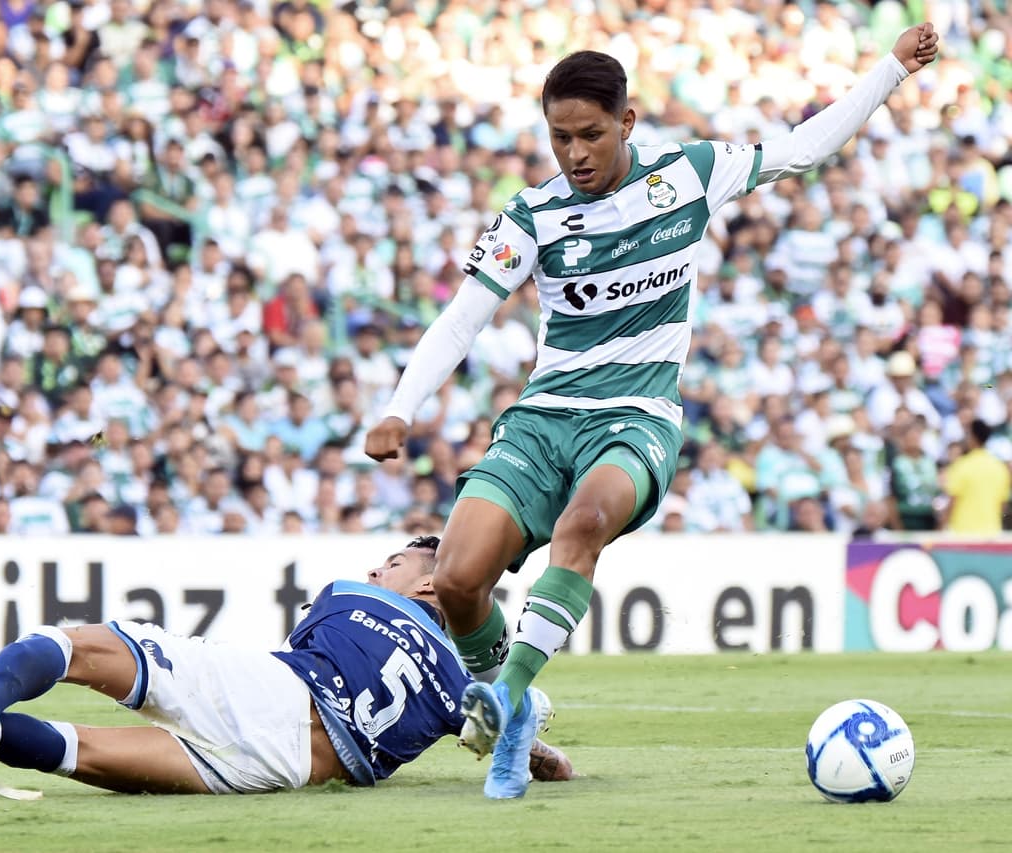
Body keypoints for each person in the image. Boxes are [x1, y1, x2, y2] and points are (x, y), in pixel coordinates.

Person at [364, 25, 940, 799]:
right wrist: (400, 407)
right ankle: (517, 700)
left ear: (626, 123)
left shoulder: (689, 175)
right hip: (543, 420)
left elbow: (802, 148)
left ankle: (503, 708)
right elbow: (463, 317)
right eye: (559, 137)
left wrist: (890, 70)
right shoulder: (531, 215)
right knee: (461, 579)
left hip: (634, 416)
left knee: (585, 522)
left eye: (590, 135)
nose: (574, 154)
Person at [0, 537, 571, 794]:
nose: (377, 567)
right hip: (283, 771)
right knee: (79, 750)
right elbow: (505, 739)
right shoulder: (455, 687)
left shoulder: (347, 595)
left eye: (395, 562)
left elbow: (314, 646)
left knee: (80, 643)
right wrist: (540, 749)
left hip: (274, 690)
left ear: (429, 581)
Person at [941, 420, 1011, 534]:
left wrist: (942, 525)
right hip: (991, 533)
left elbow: (953, 501)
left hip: (962, 533)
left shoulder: (961, 465)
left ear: (973, 438)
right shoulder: (1000, 468)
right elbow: (1003, 505)